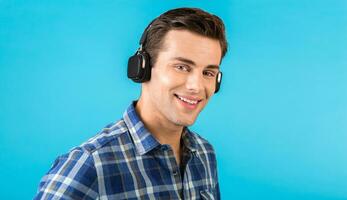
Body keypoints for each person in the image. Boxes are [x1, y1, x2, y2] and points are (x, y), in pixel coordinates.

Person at [34, 7, 228, 200]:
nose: (196, 86)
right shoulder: (88, 165)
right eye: (181, 67)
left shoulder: (204, 152)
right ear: (142, 68)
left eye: (208, 73)